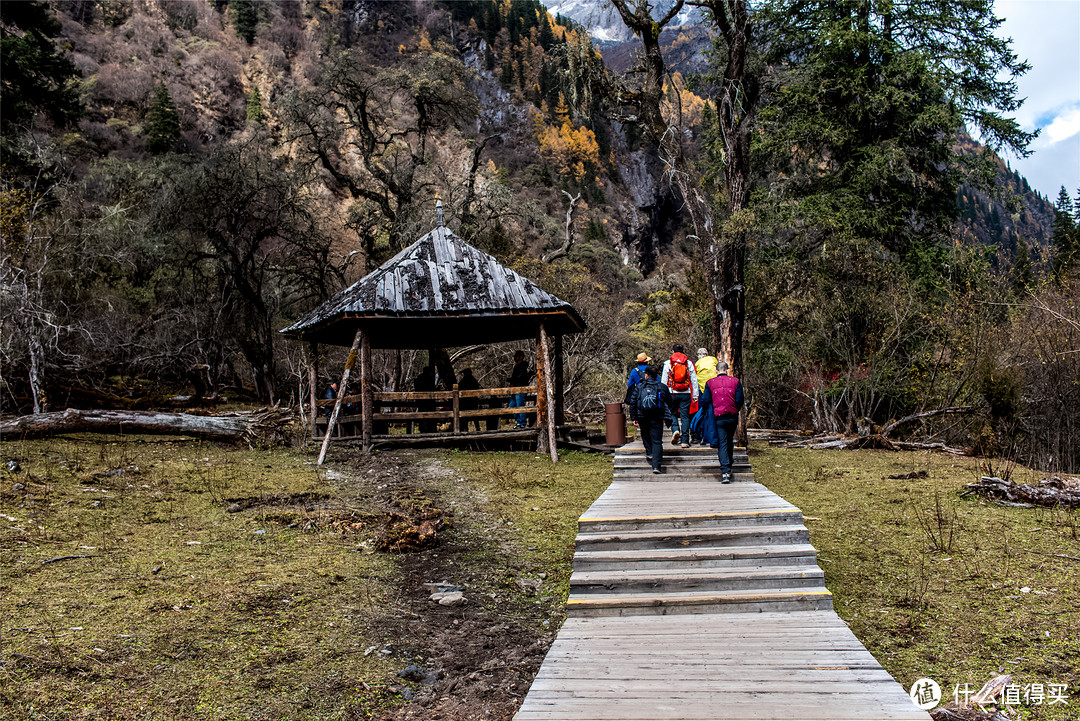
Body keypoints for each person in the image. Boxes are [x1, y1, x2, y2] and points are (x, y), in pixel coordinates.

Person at [699, 360, 744, 483]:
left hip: (718, 416)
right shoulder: (735, 382)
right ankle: (729, 464)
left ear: (716, 371)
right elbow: (740, 400)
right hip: (732, 415)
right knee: (729, 440)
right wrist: (736, 409)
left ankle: (725, 471)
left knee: (722, 442)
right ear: (728, 370)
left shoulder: (710, 383)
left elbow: (705, 400)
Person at [628, 365, 674, 474]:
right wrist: (667, 414)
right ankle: (656, 466)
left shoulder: (639, 387)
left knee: (645, 435)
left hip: (642, 416)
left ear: (646, 375)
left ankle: (649, 452)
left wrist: (634, 417)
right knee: (657, 441)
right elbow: (670, 402)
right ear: (657, 375)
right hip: (657, 417)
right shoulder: (662, 387)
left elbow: (633, 402)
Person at [660, 343, 699, 448]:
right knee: (685, 417)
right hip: (686, 393)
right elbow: (694, 380)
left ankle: (675, 430)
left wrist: (663, 396)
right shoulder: (688, 363)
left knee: (672, 413)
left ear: (673, 352)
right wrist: (695, 395)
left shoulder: (668, 363)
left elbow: (664, 381)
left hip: (671, 392)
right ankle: (685, 441)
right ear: (683, 352)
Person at [692, 348, 719, 445]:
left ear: (698, 355)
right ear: (707, 354)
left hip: (702, 391)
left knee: (702, 413)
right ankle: (713, 437)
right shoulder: (714, 360)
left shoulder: (697, 364)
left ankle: (701, 436)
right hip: (715, 390)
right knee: (712, 414)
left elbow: (694, 378)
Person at [508, 350, 531, 428]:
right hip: (514, 389)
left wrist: (512, 380)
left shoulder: (522, 367)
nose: (515, 357)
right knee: (512, 405)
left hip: (520, 389)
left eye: (517, 356)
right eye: (515, 356)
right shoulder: (517, 366)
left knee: (520, 405)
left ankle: (523, 423)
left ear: (521, 357)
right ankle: (518, 421)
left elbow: (521, 378)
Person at [414, 365, 437, 433]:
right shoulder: (428, 378)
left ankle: (424, 429)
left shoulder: (420, 378)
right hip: (428, 401)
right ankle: (428, 429)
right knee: (428, 415)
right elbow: (432, 388)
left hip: (422, 402)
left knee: (423, 415)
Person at [457, 368, 480, 433]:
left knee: (466, 416)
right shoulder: (473, 380)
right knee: (474, 416)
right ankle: (477, 428)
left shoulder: (464, 381)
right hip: (472, 402)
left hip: (466, 402)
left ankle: (466, 429)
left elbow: (459, 387)